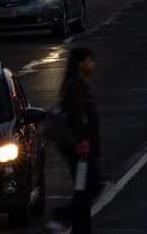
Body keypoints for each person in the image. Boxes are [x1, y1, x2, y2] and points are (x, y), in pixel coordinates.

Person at [50, 45, 103, 233]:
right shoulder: (75, 87)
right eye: (90, 60)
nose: (93, 65)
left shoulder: (77, 85)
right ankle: (63, 215)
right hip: (80, 151)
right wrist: (82, 142)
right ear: (81, 63)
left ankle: (80, 229)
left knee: (83, 190)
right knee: (92, 186)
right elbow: (77, 118)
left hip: (81, 149)